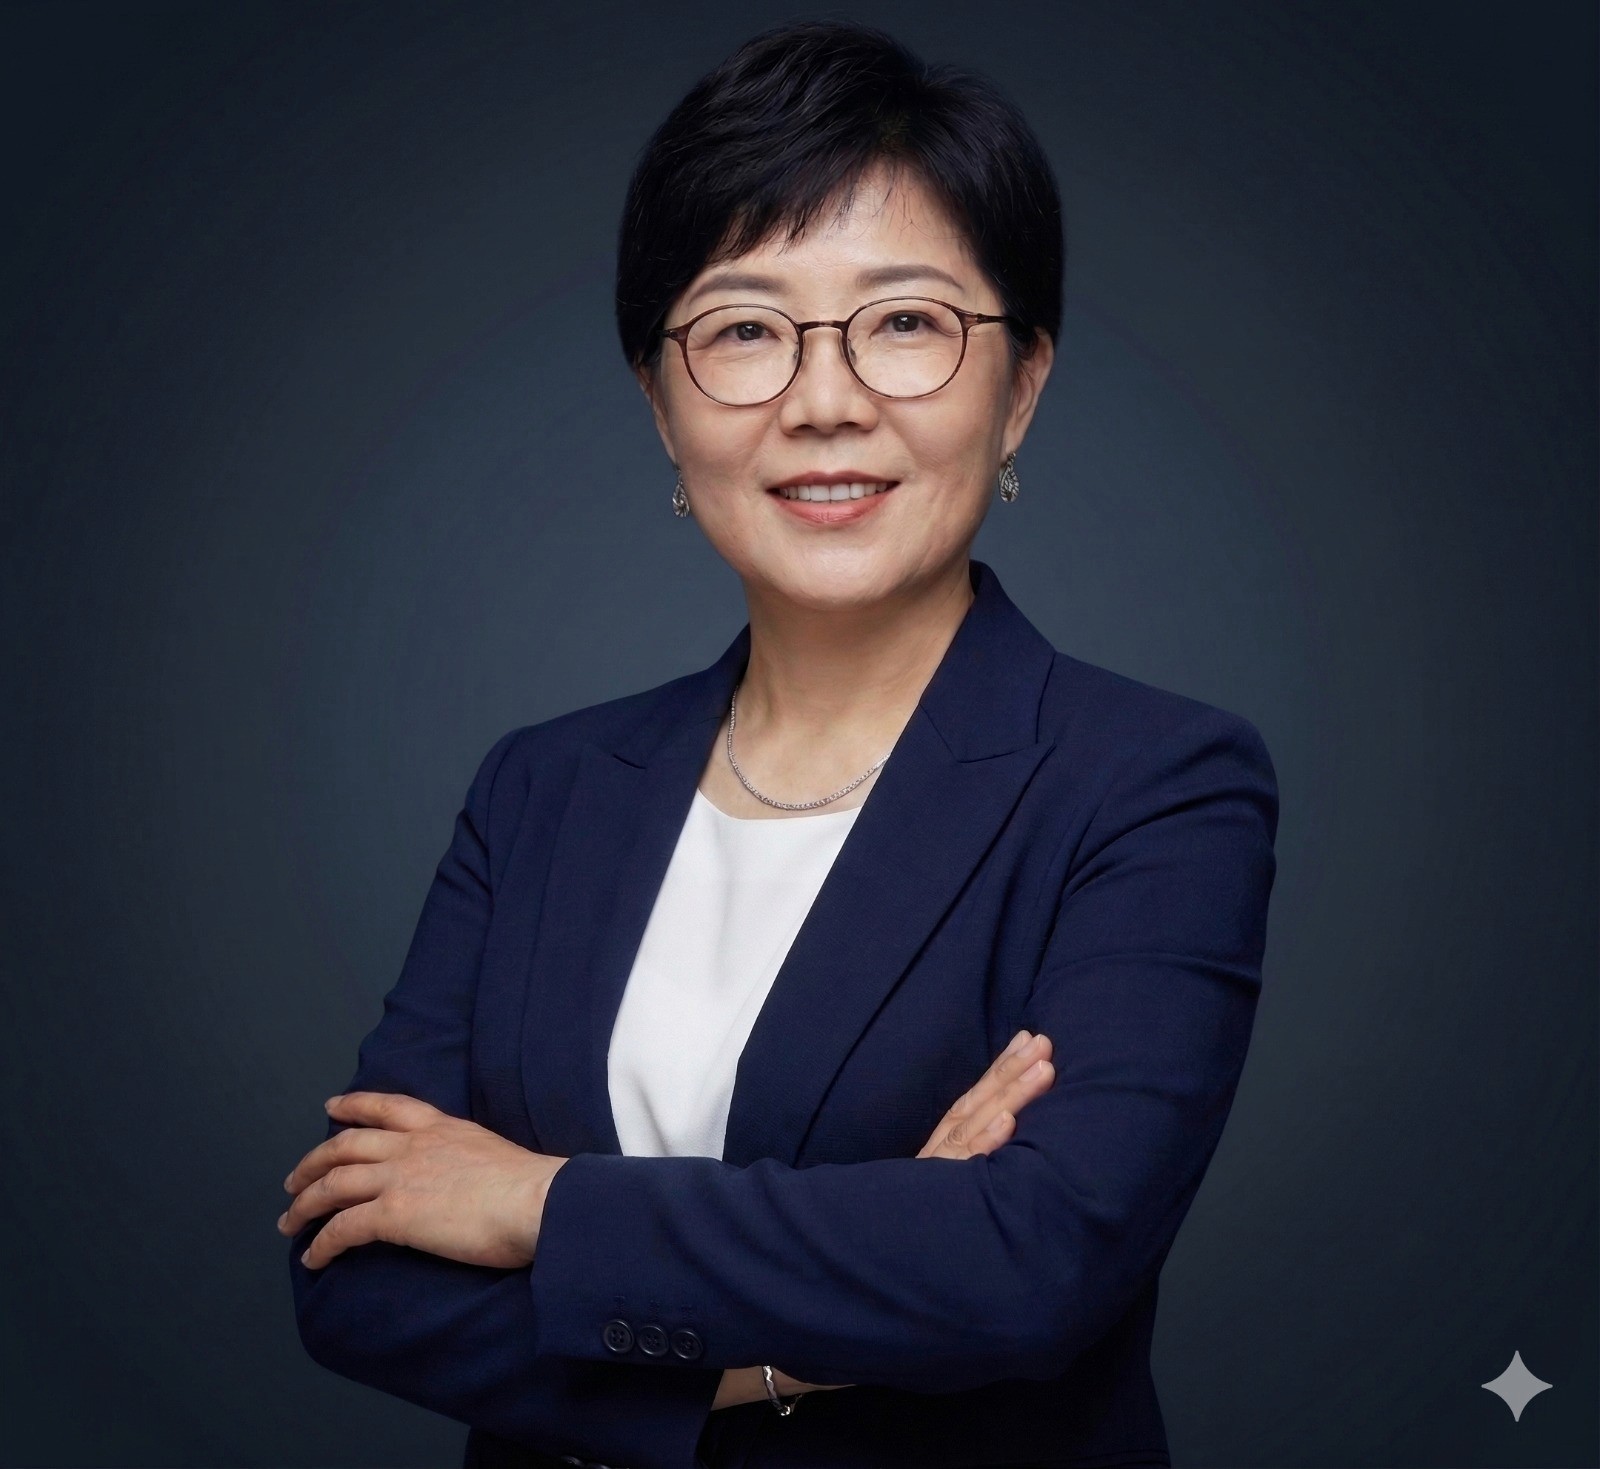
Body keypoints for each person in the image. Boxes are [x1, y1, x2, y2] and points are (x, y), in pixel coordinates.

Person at [279, 19, 1279, 1469]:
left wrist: (533, 1204)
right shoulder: (542, 789)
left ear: (1026, 384)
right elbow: (356, 1273)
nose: (824, 399)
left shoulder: (1153, 785)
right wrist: (832, 1318)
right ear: (660, 398)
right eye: (745, 327)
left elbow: (1026, 1265)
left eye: (906, 321)